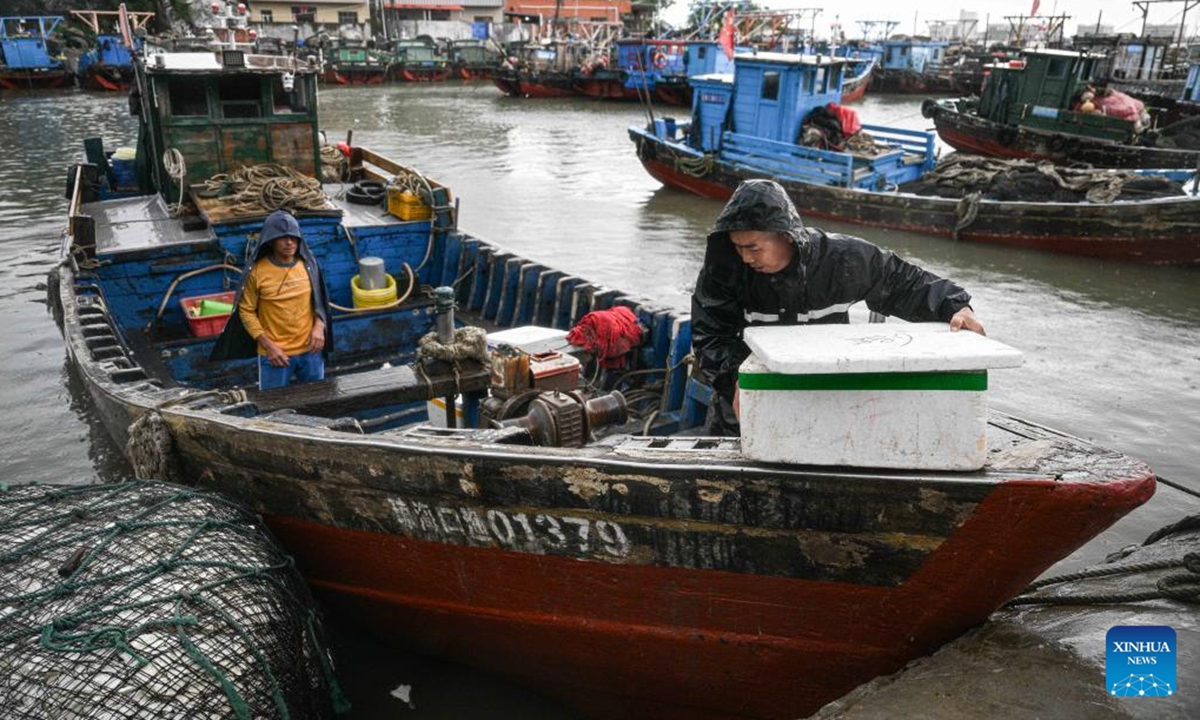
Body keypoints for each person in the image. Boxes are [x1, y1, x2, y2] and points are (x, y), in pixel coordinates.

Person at [691, 179, 985, 436]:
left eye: (753, 247)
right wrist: (739, 378)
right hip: (744, 398)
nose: (744, 257)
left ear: (785, 235)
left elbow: (902, 282)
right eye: (737, 247)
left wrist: (956, 306)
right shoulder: (724, 271)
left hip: (825, 392)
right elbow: (710, 336)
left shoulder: (843, 260)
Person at [210, 209, 334, 390]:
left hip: (311, 352)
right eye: (282, 237)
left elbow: (321, 300)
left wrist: (319, 327)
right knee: (272, 411)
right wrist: (269, 346)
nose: (289, 242)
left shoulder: (309, 264)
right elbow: (246, 311)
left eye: (293, 236)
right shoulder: (257, 272)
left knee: (318, 405)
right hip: (275, 355)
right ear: (270, 240)